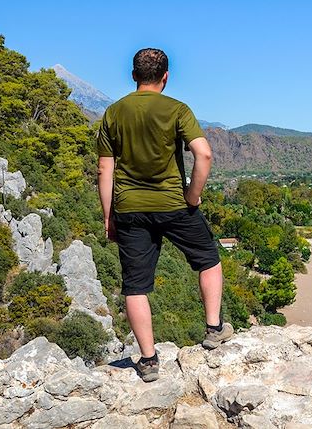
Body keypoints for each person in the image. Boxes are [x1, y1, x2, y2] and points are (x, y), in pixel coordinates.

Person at [96, 48, 233, 382]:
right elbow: (205, 154)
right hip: (174, 204)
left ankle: (148, 361)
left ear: (133, 76)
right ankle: (214, 329)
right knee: (208, 259)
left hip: (130, 209)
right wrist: (193, 196)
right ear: (166, 77)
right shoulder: (177, 110)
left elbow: (104, 169)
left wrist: (108, 217)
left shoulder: (114, 113)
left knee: (135, 285)